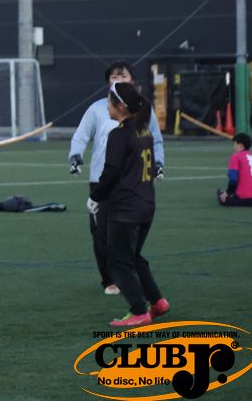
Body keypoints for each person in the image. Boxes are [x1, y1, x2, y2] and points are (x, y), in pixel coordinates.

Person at [69, 60, 165, 295]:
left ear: (132, 81)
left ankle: (135, 289)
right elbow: (81, 135)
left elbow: (155, 140)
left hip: (133, 183)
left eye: (123, 76)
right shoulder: (97, 109)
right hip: (102, 180)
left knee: (125, 236)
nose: (118, 80)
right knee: (101, 234)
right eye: (114, 76)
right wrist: (75, 155)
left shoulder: (144, 111)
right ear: (107, 82)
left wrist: (158, 163)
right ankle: (111, 280)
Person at [89, 81, 169, 327]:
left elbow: (111, 171)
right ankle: (157, 301)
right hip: (146, 204)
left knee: (118, 261)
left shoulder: (119, 134)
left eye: (110, 102)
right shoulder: (144, 131)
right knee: (133, 256)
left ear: (121, 106)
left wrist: (96, 196)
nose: (107, 107)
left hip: (126, 208)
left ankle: (139, 310)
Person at [217, 133, 252, 206]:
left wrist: (226, 193)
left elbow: (233, 180)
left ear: (240, 146)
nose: (233, 146)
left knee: (222, 199)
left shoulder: (235, 156)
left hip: (247, 198)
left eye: (234, 144)